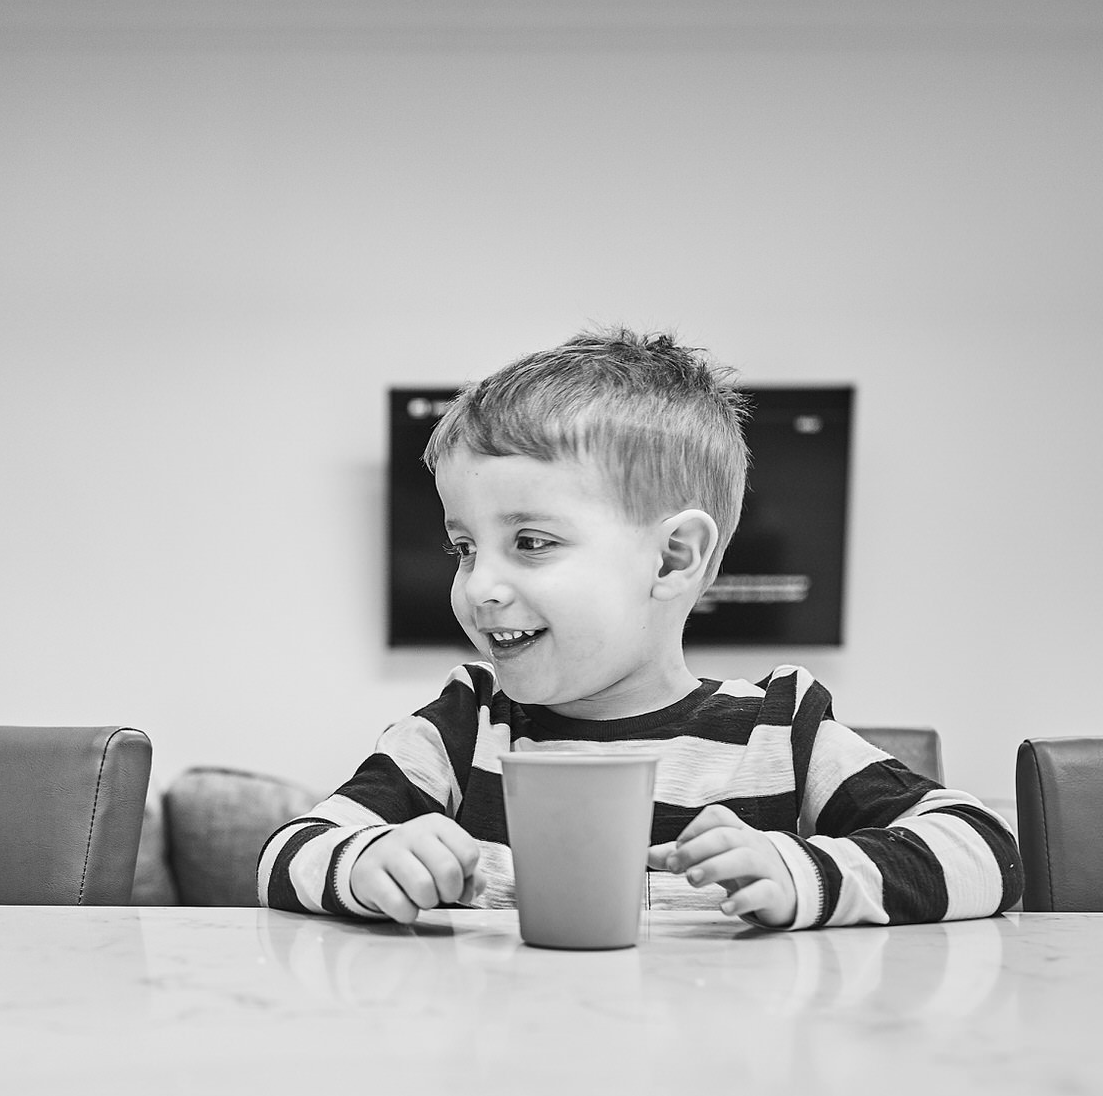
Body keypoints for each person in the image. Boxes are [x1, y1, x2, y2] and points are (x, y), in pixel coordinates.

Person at [259, 328, 1021, 929]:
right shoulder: (462, 729)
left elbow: (985, 847)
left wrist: (806, 874)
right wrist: (367, 862)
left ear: (672, 557)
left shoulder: (780, 730)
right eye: (464, 547)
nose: (479, 584)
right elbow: (288, 850)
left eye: (531, 541)